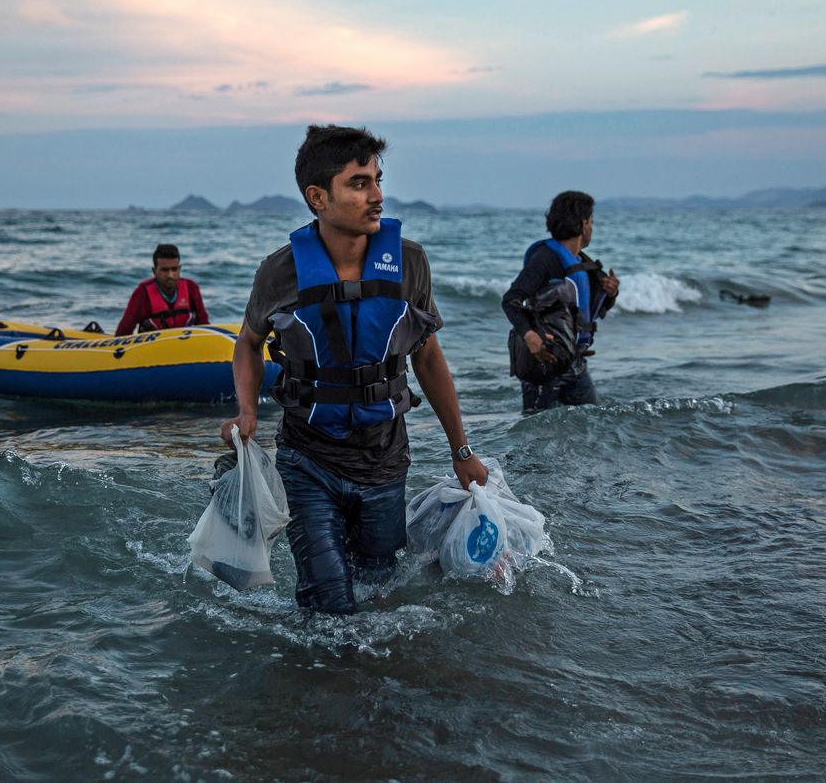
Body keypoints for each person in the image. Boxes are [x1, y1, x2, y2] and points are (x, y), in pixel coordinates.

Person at [221, 124, 488, 615]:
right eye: (359, 183)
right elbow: (248, 343)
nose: (377, 196)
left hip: (384, 463)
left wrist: (462, 450)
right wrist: (246, 412)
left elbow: (427, 356)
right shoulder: (278, 272)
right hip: (307, 461)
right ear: (317, 197)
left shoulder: (409, 263)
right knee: (329, 605)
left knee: (378, 592)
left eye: (378, 180)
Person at [501, 191, 620, 413]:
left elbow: (592, 312)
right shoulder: (544, 259)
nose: (592, 228)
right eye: (592, 222)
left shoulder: (583, 264)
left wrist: (611, 293)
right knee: (538, 437)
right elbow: (511, 301)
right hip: (544, 365)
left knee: (591, 428)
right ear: (584, 224)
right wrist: (531, 337)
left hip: (575, 364)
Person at [114, 243, 210, 336]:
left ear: (179, 269)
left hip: (185, 346)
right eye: (165, 270)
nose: (170, 275)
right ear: (154, 271)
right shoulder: (142, 293)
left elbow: (204, 325)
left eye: (174, 269)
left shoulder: (191, 288)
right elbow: (124, 331)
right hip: (152, 348)